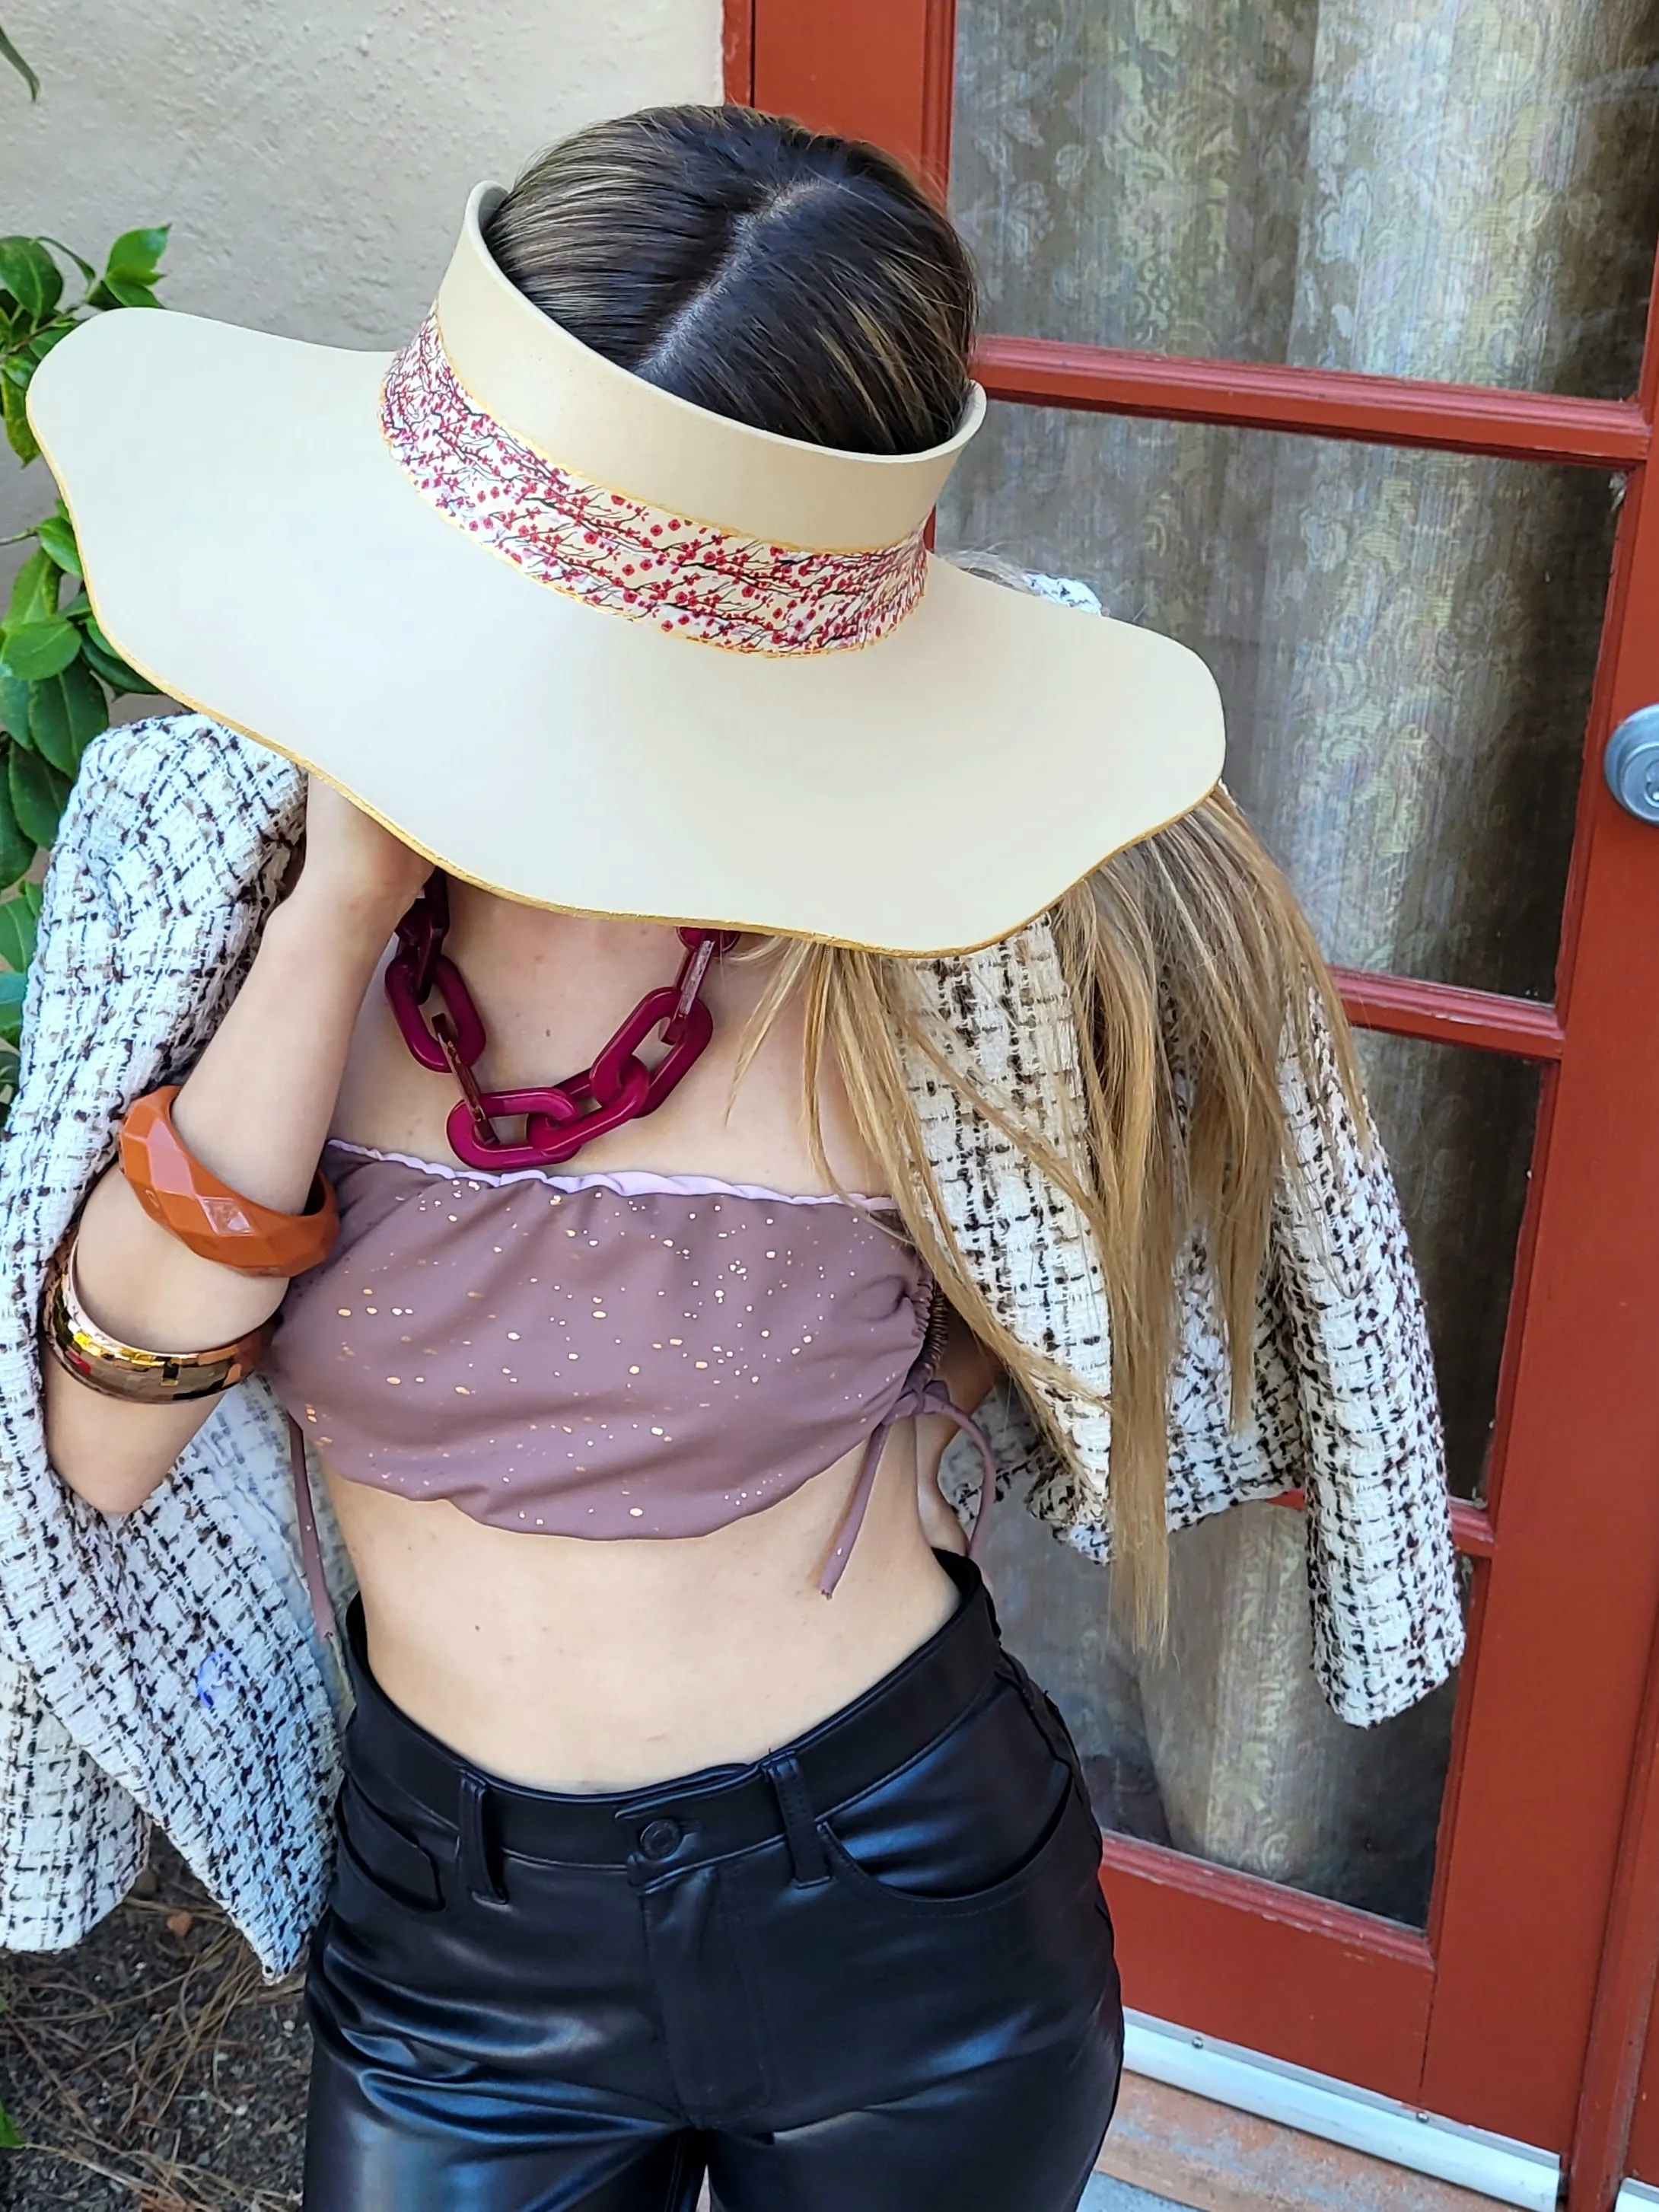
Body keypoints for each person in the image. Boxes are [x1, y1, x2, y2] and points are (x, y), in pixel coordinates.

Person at [8, 105, 1463, 2212]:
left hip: (906, 1908)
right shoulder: (219, 872)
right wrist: (334, 910)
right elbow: (104, 1445)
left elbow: (1182, 1254)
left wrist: (928, 1398)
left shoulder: (958, 923)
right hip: (451, 1940)